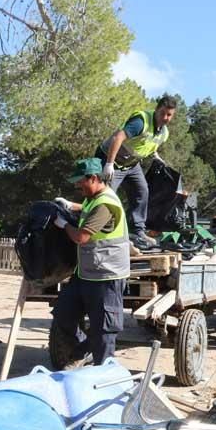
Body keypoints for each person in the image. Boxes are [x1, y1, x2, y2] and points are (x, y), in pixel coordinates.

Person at [52, 157, 130, 366]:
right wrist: (71, 206)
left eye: (81, 181)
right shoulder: (93, 198)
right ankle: (85, 347)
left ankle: (104, 374)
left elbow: (81, 237)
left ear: (94, 178)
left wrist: (64, 225)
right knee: (63, 314)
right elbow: (86, 209)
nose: (78, 185)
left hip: (107, 274)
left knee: (104, 330)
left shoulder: (105, 204)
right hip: (86, 272)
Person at [95, 94, 178, 250]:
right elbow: (118, 138)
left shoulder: (164, 132)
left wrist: (156, 157)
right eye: (163, 113)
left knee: (142, 191)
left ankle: (137, 231)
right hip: (112, 159)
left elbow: (148, 144)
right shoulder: (141, 122)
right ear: (156, 110)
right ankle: (103, 231)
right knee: (107, 196)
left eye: (169, 115)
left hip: (131, 164)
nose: (165, 117)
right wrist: (109, 164)